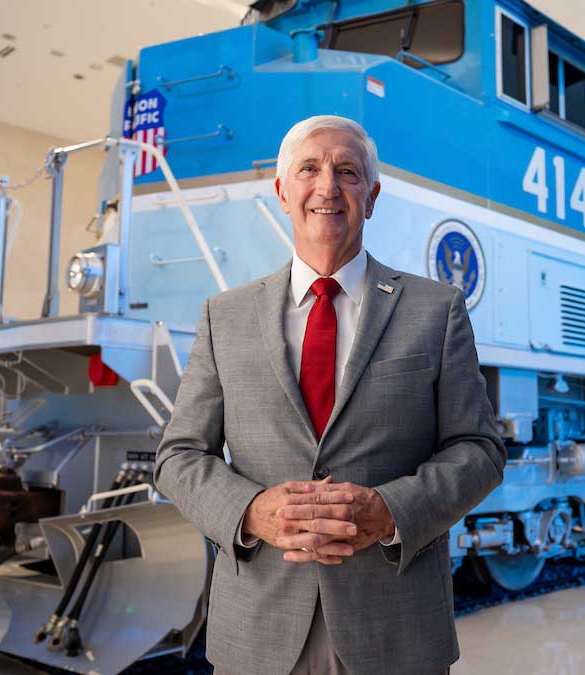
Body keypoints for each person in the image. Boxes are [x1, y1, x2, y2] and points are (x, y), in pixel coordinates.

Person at [154, 114, 506, 674]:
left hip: (397, 632)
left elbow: (479, 450)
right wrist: (250, 511)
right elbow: (178, 456)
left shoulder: (434, 311)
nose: (328, 187)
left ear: (371, 197)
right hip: (257, 631)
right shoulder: (226, 316)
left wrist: (390, 512)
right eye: (309, 169)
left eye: (348, 171)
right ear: (282, 191)